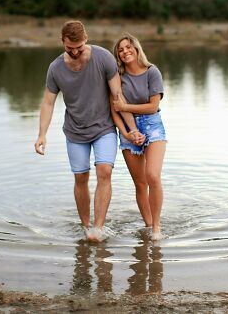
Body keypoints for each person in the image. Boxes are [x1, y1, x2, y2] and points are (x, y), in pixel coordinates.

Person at [35, 21, 144, 242]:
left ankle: (98, 228)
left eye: (79, 47)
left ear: (86, 39)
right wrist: (41, 134)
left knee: (105, 171)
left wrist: (131, 130)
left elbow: (118, 97)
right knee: (81, 177)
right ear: (63, 42)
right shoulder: (55, 68)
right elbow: (48, 103)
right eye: (69, 48)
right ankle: (86, 226)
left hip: (103, 127)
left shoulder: (103, 58)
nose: (74, 52)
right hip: (75, 132)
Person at [111, 33, 167, 240]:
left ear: (136, 48)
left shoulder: (152, 72)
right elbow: (114, 110)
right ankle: (148, 224)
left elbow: (153, 106)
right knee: (140, 183)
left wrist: (126, 106)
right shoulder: (117, 77)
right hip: (127, 128)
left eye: (128, 47)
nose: (125, 52)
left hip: (152, 125)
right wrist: (127, 132)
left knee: (153, 175)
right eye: (120, 49)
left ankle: (157, 229)